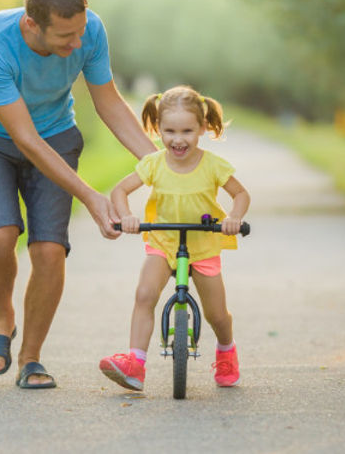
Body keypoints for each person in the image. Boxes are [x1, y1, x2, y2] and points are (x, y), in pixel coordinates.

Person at [0, 0, 156, 389]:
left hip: (57, 131)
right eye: (66, 35)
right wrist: (89, 197)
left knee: (49, 249)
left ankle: (30, 358)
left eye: (81, 30)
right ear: (32, 25)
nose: (77, 44)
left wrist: (160, 166)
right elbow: (24, 138)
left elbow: (109, 103)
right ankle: (3, 316)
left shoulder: (90, 29)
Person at [99, 85, 251, 391]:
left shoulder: (212, 165)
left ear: (202, 128)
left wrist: (234, 218)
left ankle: (226, 351)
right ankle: (135, 363)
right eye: (169, 131)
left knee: (217, 315)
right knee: (144, 294)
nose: (177, 140)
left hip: (204, 244)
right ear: (157, 128)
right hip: (164, 243)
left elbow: (240, 194)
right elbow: (120, 190)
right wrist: (126, 215)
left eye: (186, 131)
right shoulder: (154, 163)